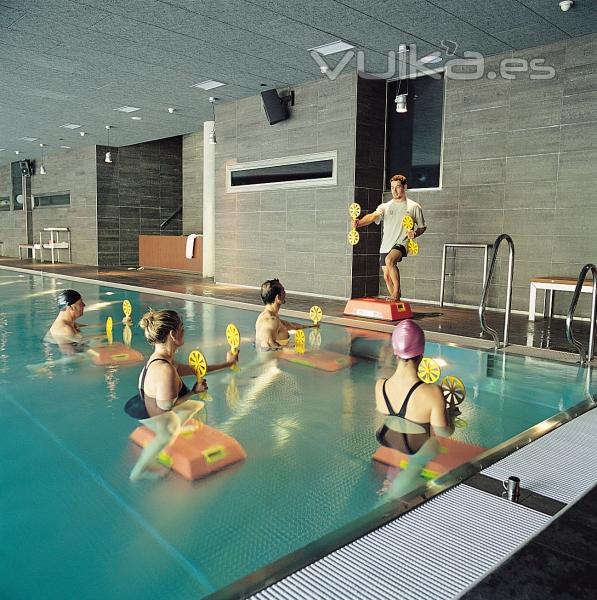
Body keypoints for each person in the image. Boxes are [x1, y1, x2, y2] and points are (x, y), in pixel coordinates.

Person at [125, 309, 239, 481]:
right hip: (150, 412)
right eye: (182, 328)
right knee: (169, 430)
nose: (184, 331)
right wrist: (194, 391)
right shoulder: (165, 369)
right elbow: (166, 407)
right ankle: (138, 472)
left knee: (195, 406)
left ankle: (174, 427)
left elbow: (198, 369)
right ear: (173, 334)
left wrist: (228, 363)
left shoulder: (164, 360)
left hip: (142, 403)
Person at [375, 320, 453, 499]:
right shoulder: (432, 392)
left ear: (395, 352)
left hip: (389, 441)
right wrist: (451, 416)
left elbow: (387, 417)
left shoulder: (380, 386)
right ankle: (392, 496)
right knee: (433, 446)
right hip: (415, 450)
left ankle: (392, 480)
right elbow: (443, 432)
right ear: (421, 354)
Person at [353, 174, 426, 301]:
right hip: (386, 244)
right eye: (392, 187)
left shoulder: (413, 207)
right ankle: (396, 303)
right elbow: (373, 216)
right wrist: (359, 223)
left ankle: (397, 293)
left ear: (405, 187)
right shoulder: (385, 206)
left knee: (390, 260)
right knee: (386, 276)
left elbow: (422, 227)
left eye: (398, 187)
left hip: (402, 243)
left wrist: (415, 233)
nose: (394, 190)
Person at [255, 278, 316, 350]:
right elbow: (267, 344)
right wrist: (292, 347)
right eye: (283, 290)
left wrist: (311, 326)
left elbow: (290, 325)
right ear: (278, 298)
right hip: (273, 359)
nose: (285, 292)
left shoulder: (265, 316)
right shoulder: (271, 320)